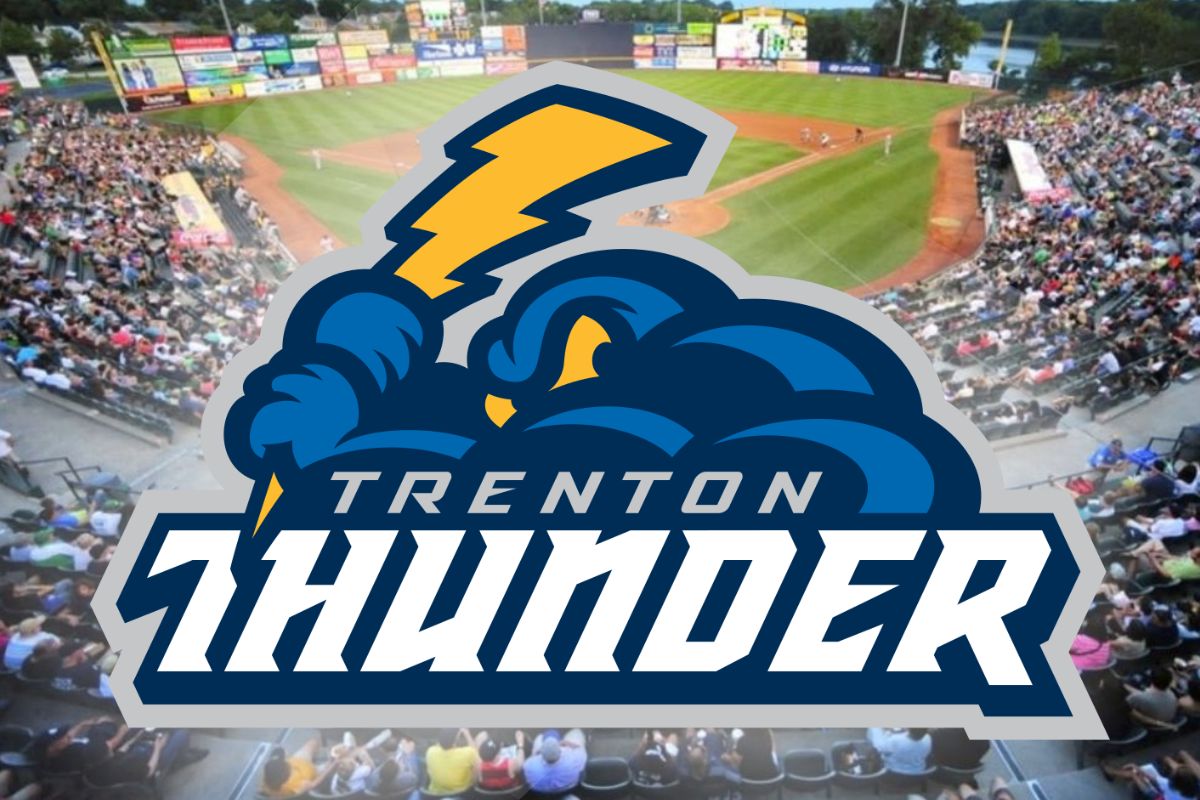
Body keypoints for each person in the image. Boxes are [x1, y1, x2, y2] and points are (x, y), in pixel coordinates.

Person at [261, 738, 336, 798]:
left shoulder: (267, 782)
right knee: (332, 763)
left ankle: (318, 760)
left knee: (313, 742)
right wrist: (333, 765)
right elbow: (315, 783)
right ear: (286, 776)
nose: (288, 765)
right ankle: (328, 763)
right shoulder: (298, 787)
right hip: (312, 770)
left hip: (298, 760)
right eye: (288, 767)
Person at [425, 728, 479, 795]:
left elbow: (439, 744)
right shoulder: (468, 753)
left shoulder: (430, 751)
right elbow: (477, 755)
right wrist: (466, 733)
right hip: (462, 795)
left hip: (434, 796)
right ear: (456, 741)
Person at [866, 728, 931, 775]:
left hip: (894, 775)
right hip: (918, 774)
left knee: (874, 729)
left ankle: (870, 773)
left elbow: (878, 749)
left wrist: (887, 734)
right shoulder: (928, 738)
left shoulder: (895, 740)